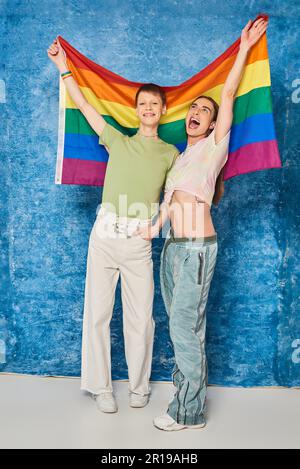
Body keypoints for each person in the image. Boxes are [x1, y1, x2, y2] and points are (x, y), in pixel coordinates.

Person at [136, 17, 268, 431]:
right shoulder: (179, 159)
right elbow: (168, 202)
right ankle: (184, 393)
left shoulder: (214, 148)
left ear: (213, 124)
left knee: (185, 328)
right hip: (173, 247)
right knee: (181, 328)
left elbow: (228, 92)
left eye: (204, 111)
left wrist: (243, 47)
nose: (196, 112)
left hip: (196, 249)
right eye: (193, 107)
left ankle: (189, 412)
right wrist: (153, 226)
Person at [47, 39, 179, 414]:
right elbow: (86, 106)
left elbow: (172, 194)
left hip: (139, 238)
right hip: (105, 233)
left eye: (154, 103)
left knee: (141, 317)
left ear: (163, 109)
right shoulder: (117, 140)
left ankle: (139, 387)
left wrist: (156, 227)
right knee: (98, 312)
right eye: (143, 104)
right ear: (136, 111)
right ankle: (101, 387)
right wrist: (63, 66)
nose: (149, 108)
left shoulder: (170, 153)